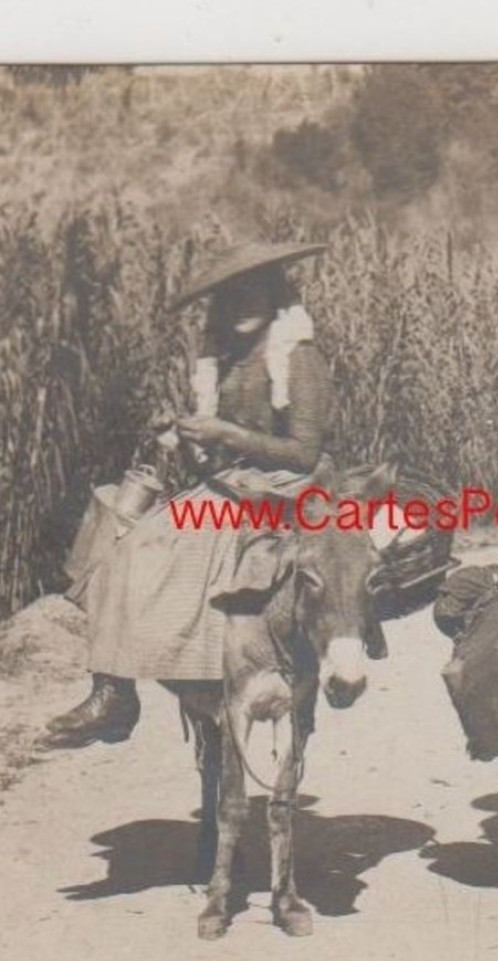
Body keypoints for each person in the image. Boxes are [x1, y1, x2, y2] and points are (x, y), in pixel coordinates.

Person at [44, 242, 333, 747]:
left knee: (150, 549)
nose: (242, 304)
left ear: (273, 295)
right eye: (230, 297)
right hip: (235, 485)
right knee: (119, 533)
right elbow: (215, 462)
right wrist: (184, 440)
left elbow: (305, 452)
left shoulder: (297, 356)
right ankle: (115, 688)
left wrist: (225, 434)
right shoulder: (226, 362)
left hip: (285, 491)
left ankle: (136, 686)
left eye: (253, 291)